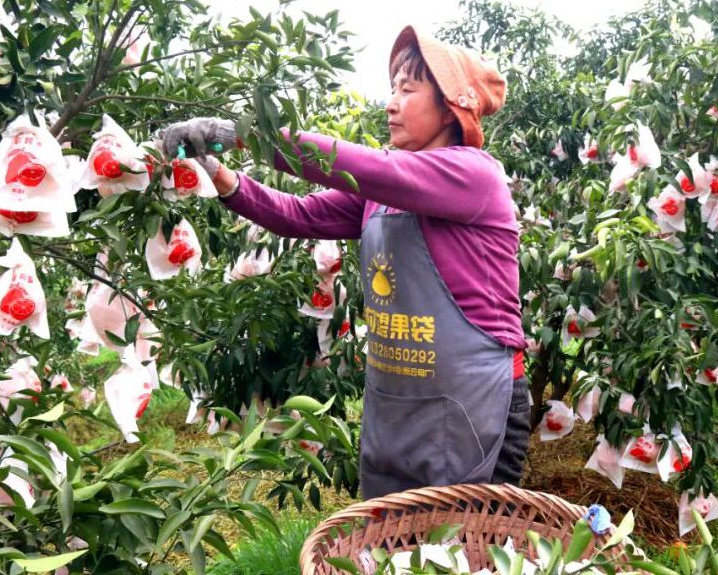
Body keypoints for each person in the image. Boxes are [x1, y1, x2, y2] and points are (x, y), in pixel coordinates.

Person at [160, 25, 530, 498]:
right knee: (388, 535)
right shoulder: (381, 193)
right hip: (397, 403)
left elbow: (362, 165)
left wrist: (244, 135)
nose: (391, 104)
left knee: (460, 538)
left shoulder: (473, 174)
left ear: (450, 108)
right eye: (392, 89)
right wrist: (218, 174)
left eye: (408, 90)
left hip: (474, 406)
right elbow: (297, 215)